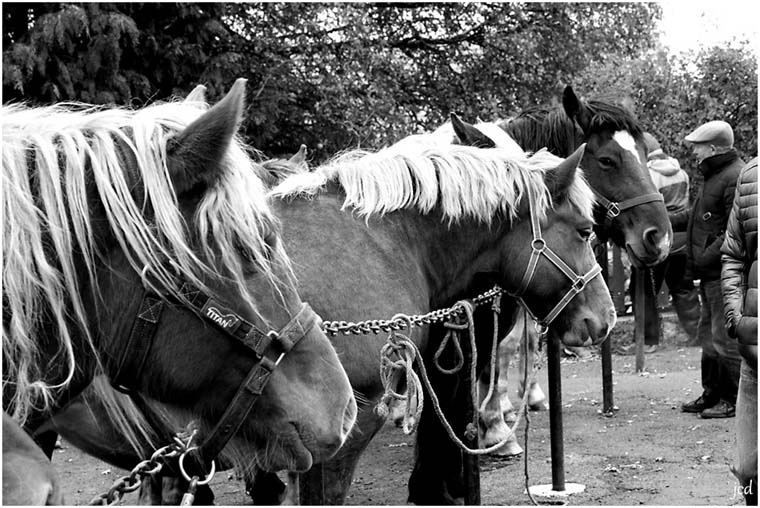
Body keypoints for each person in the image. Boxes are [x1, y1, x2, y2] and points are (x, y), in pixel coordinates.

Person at [680, 120, 745, 419]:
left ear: (714, 148)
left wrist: (704, 257)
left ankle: (732, 400)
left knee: (723, 336)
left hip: (722, 273)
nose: (693, 152)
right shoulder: (715, 175)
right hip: (710, 273)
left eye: (697, 146)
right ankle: (712, 393)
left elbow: (735, 229)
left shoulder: (733, 176)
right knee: (708, 335)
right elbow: (701, 220)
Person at [624, 133, 701, 355]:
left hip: (657, 240)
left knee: (643, 290)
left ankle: (648, 341)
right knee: (683, 288)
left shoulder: (648, 176)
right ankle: (696, 334)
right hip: (682, 240)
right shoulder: (682, 173)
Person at [721, 157, 757, 505]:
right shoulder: (751, 175)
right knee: (747, 470)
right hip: (755, 349)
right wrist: (736, 315)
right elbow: (733, 254)